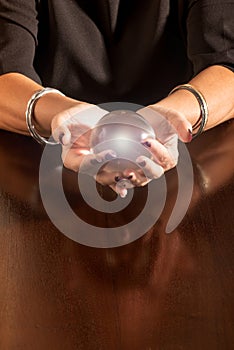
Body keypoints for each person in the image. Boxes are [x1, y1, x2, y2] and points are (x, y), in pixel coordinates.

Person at [0, 0, 233, 197]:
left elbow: (226, 62)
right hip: (41, 166)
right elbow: (6, 67)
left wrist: (175, 115)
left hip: (181, 172)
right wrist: (60, 115)